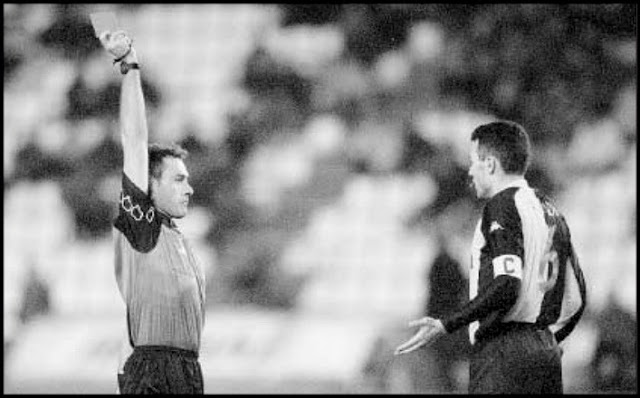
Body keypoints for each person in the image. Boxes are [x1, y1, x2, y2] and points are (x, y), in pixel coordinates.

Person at [395, 120, 587, 394]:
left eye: (475, 162)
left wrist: (446, 325)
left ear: (492, 165)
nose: (470, 171)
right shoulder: (546, 211)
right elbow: (575, 297)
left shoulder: (500, 209)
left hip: (505, 349)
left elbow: (507, 283)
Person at [98, 30, 206, 394]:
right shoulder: (141, 225)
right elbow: (134, 138)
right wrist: (129, 64)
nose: (189, 188)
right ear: (149, 185)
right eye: (178, 179)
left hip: (188, 372)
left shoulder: (179, 238)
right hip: (152, 372)